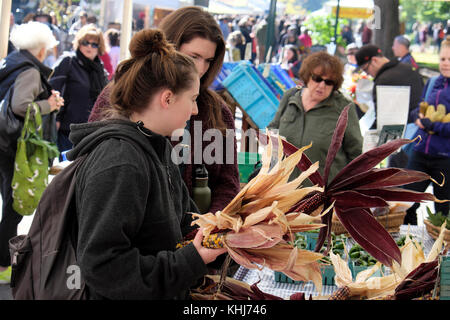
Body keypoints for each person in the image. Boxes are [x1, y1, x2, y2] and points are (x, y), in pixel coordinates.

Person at [65, 28, 226, 299]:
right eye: (193, 99)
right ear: (167, 98)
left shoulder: (157, 147)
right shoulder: (120, 162)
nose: (196, 110)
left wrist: (225, 235)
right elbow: (104, 268)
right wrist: (190, 260)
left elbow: (185, 225)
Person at [88, 6, 240, 215]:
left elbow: (228, 183)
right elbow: (92, 165)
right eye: (194, 56)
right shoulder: (121, 93)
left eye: (209, 60)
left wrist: (208, 227)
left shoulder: (217, 111)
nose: (201, 68)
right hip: (128, 230)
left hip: (196, 238)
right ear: (169, 48)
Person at [0, 21, 64, 283]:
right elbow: (20, 106)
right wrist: (49, 104)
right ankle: (3, 264)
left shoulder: (11, 61)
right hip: (13, 145)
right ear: (40, 50)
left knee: (9, 203)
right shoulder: (30, 70)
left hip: (3, 141)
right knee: (15, 208)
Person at [268, 51, 363, 185]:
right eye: (317, 78)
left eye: (328, 82)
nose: (322, 85)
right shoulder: (290, 97)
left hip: (322, 193)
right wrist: (274, 139)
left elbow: (356, 153)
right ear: (307, 77)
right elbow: (273, 127)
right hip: (284, 189)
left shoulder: (343, 108)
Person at [403, 36, 450, 225]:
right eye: (443, 59)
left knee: (443, 214)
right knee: (406, 205)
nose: (445, 63)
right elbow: (420, 108)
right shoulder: (432, 82)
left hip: (445, 159)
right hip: (420, 153)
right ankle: (408, 243)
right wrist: (417, 117)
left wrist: (432, 125)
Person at [355, 44, 424, 168]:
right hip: (419, 132)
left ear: (374, 60)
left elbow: (382, 117)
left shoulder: (383, 80)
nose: (369, 74)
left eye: (366, 70)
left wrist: (366, 140)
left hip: (399, 138)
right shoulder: (409, 69)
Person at [49, 24, 108, 156]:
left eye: (94, 44)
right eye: (85, 42)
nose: (89, 47)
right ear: (79, 43)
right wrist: (56, 119)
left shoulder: (100, 71)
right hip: (66, 131)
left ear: (99, 48)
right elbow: (53, 90)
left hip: (92, 133)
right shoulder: (68, 62)